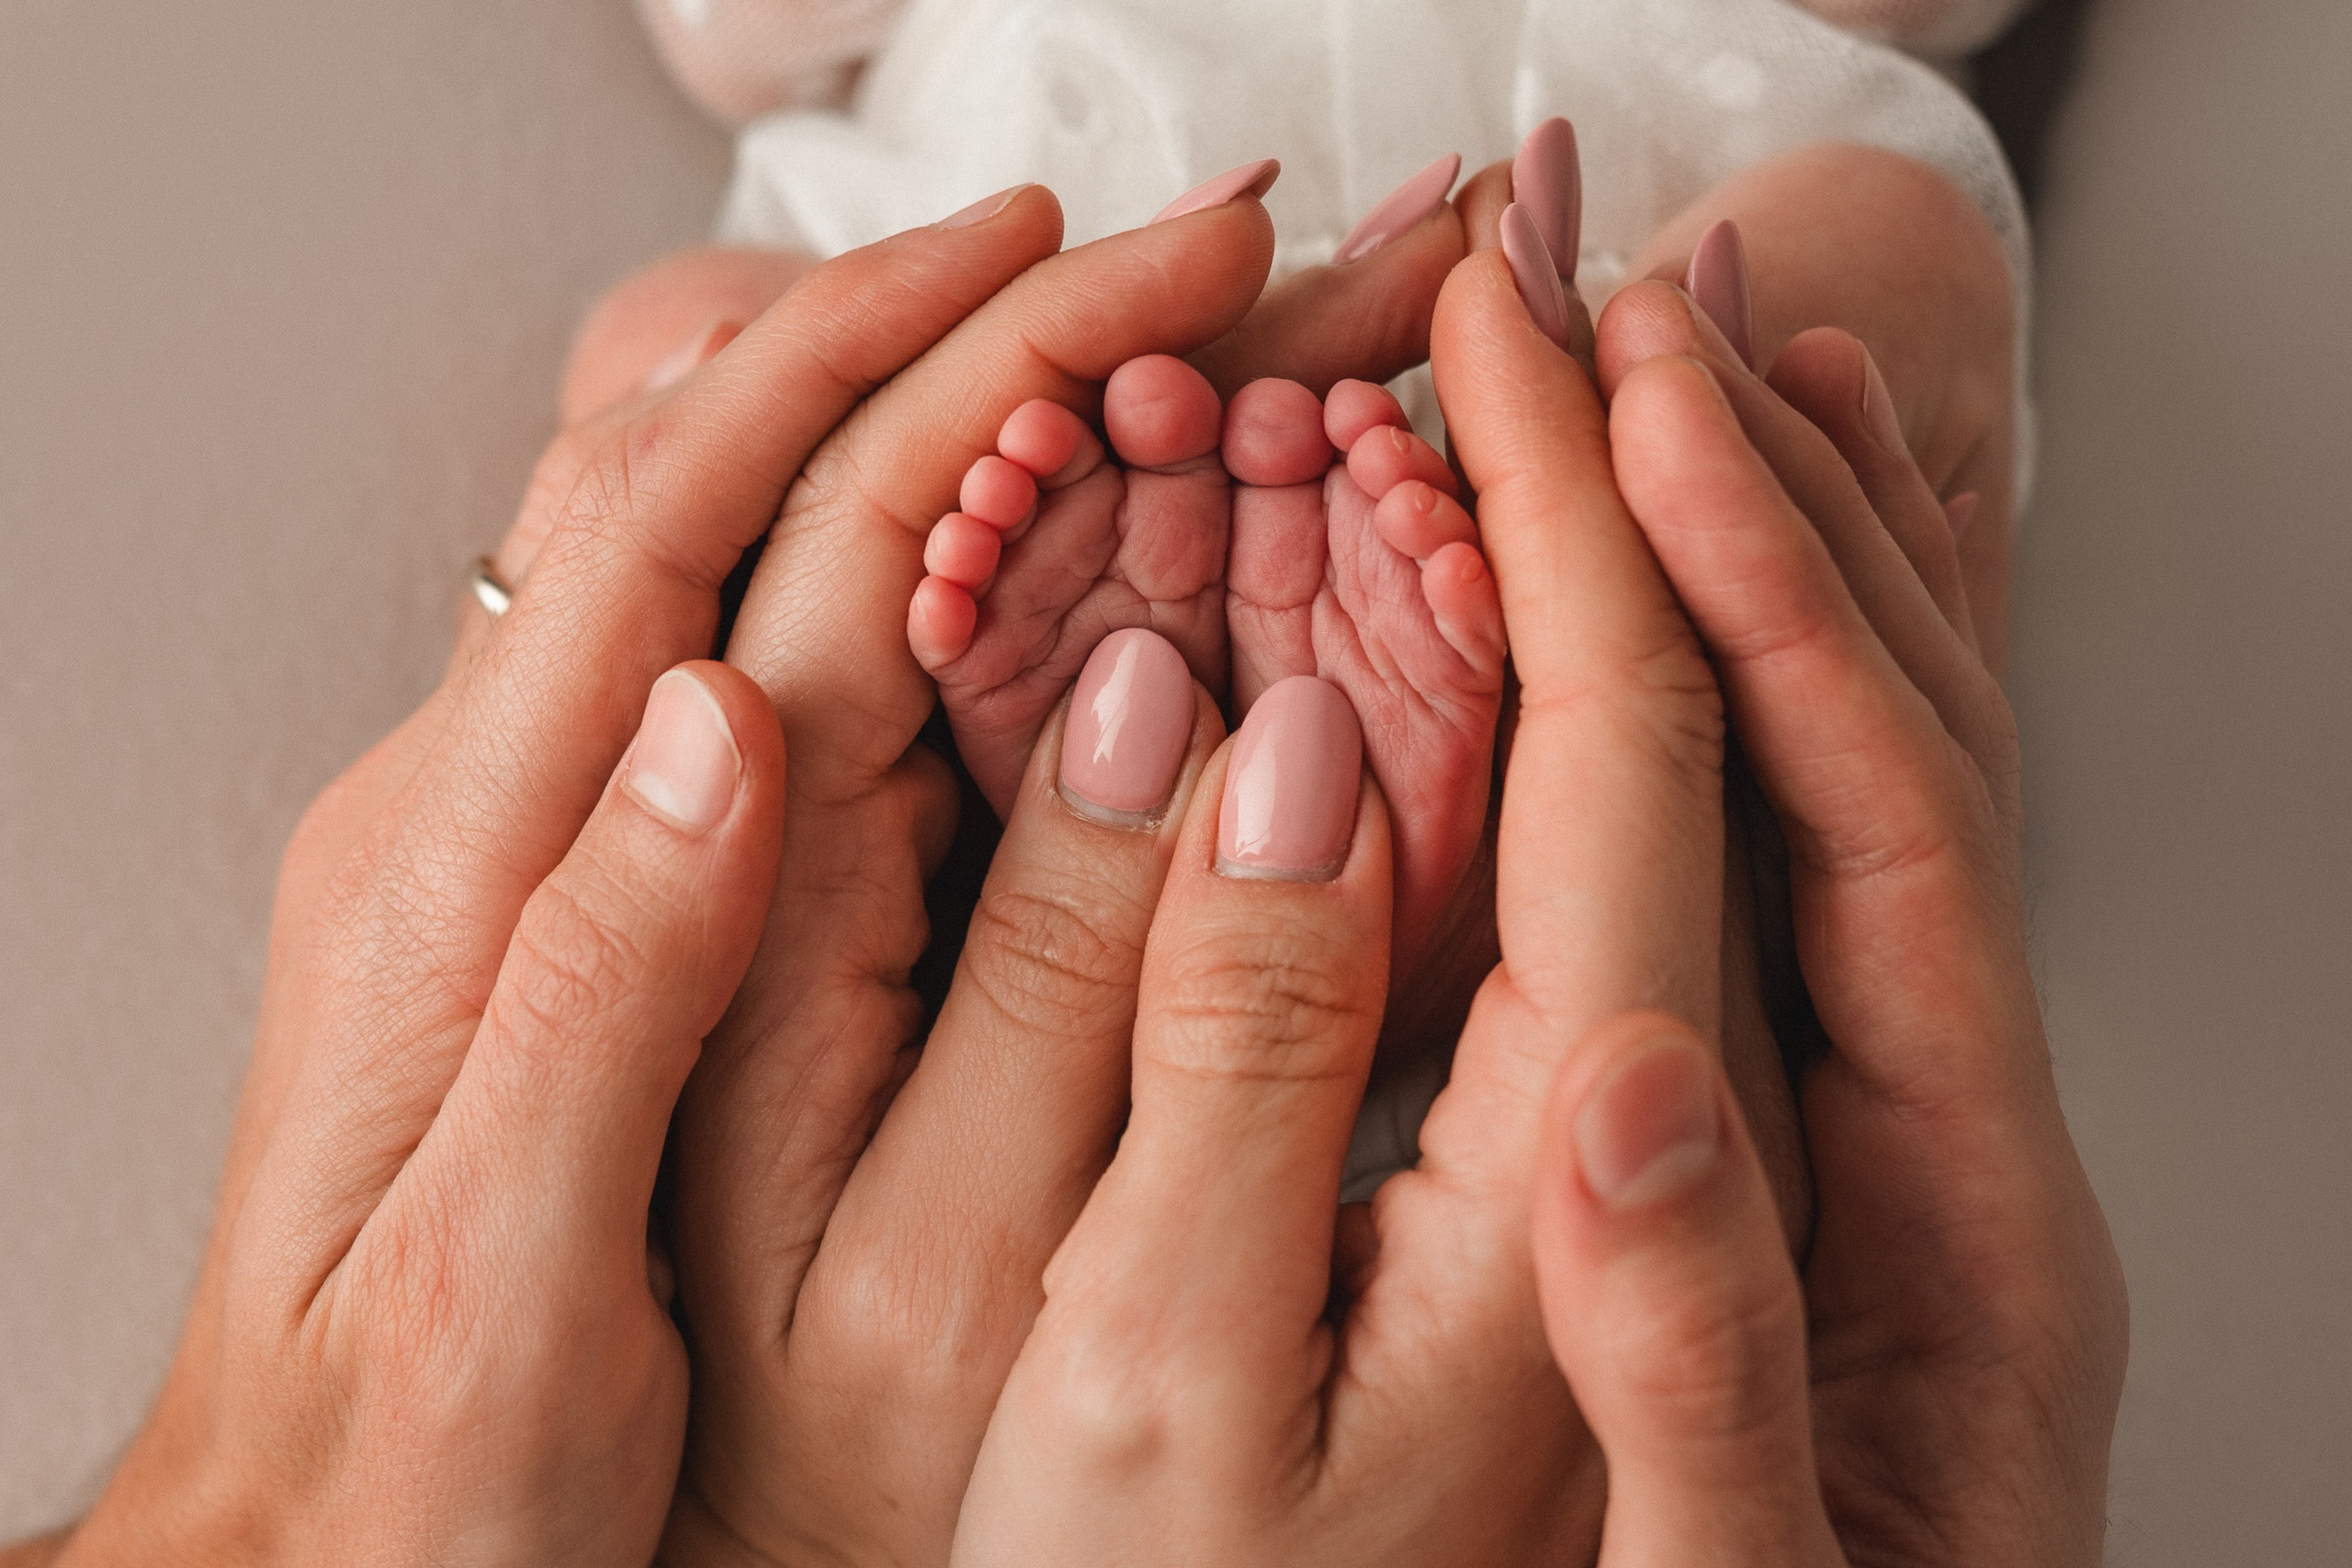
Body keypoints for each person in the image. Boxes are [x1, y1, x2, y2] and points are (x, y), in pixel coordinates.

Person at [9, 164, 2122, 1563]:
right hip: (1510, 340)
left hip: (1014, 339)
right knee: (1850, 268)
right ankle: (1456, 869)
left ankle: (1291, 855)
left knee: (695, 330)